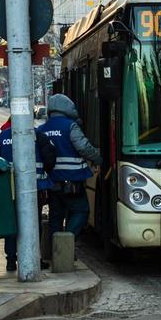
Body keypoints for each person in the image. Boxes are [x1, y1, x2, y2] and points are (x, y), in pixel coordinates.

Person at [0, 117, 57, 272]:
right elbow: (50, 160)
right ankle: (35, 258)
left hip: (10, 188)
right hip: (35, 188)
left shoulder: (2, 136)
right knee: (33, 223)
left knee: (11, 223)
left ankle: (10, 259)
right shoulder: (39, 136)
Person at [37, 94, 102, 240]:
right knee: (82, 211)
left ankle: (56, 252)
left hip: (52, 182)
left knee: (56, 216)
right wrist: (98, 159)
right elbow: (84, 147)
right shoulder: (70, 126)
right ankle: (67, 240)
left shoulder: (41, 129)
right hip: (72, 181)